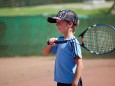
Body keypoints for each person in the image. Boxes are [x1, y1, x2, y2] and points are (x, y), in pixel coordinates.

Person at [43, 9, 83, 86]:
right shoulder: (60, 40)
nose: (57, 25)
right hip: (61, 82)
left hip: (71, 82)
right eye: (57, 23)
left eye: (60, 22)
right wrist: (49, 44)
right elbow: (45, 52)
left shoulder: (73, 43)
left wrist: (75, 82)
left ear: (70, 24)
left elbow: (80, 64)